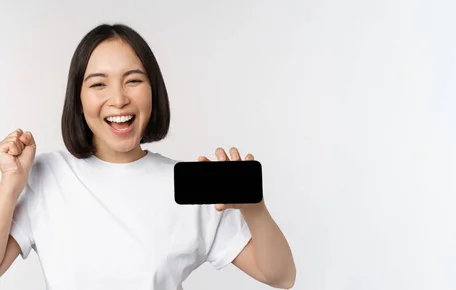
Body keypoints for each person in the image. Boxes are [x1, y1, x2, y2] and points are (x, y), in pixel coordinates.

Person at [0, 23, 295, 289]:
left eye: (133, 80)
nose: (118, 99)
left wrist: (253, 207)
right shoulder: (48, 176)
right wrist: (10, 186)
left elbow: (281, 276)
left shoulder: (188, 185)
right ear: (78, 99)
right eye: (98, 84)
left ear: (154, 91)